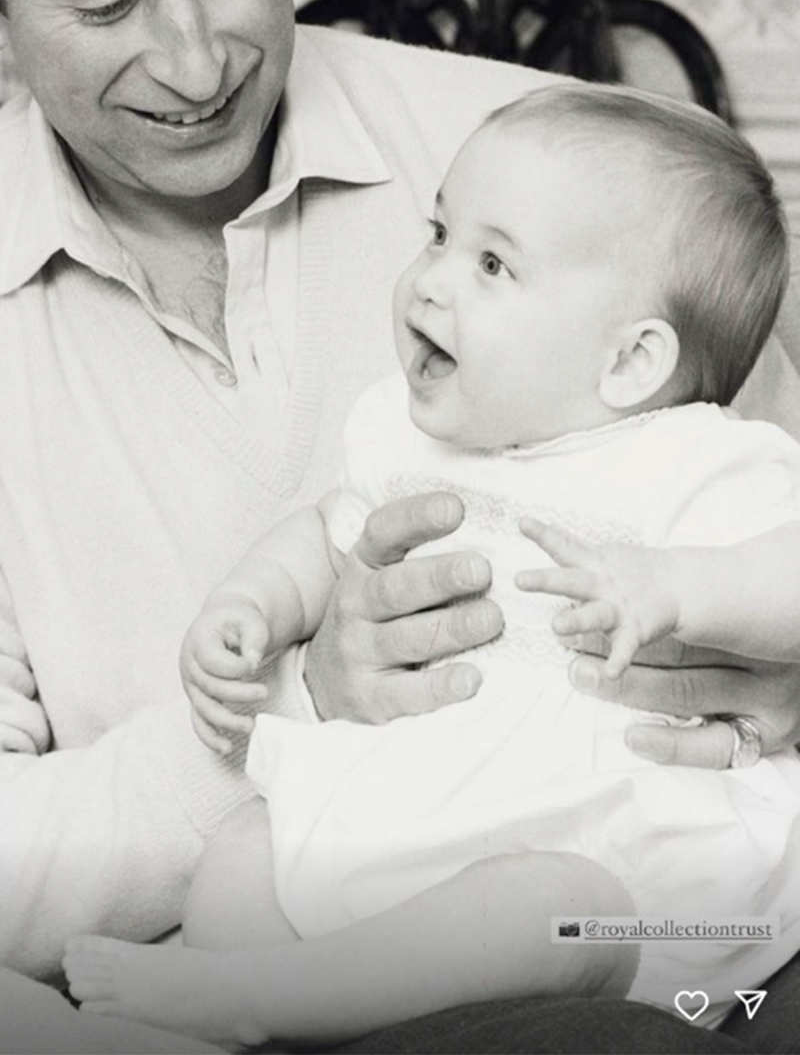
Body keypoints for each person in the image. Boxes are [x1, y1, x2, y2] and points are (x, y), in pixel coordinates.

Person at [1, 0, 800, 1053]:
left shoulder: (556, 169)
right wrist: (293, 701)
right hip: (197, 978)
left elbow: (758, 513)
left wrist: (767, 668)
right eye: (107, 1)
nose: (194, 64)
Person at [65, 87, 800, 1046]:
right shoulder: (409, 437)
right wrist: (252, 603)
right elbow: (329, 531)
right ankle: (233, 1010)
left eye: (492, 263)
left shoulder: (694, 462)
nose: (429, 280)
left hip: (641, 896)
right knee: (245, 859)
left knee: (548, 903)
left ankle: (259, 1002)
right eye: (439, 232)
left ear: (631, 364)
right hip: (417, 832)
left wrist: (676, 589)